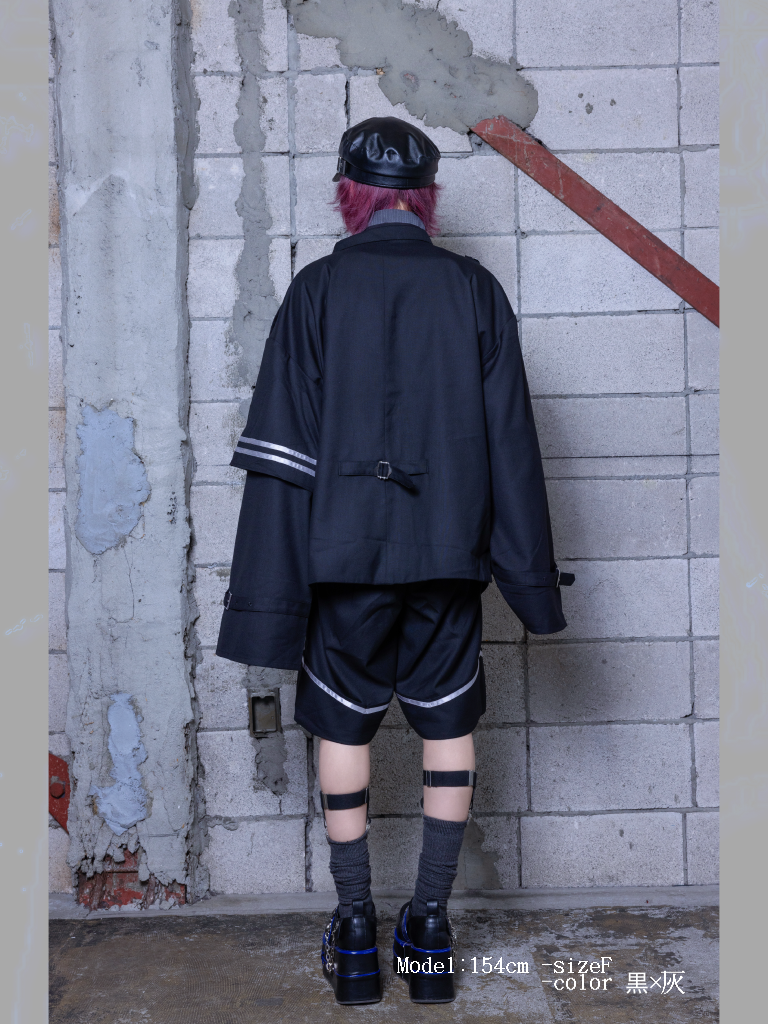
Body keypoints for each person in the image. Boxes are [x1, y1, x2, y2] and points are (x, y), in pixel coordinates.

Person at [216, 116, 574, 1005]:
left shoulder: (315, 291)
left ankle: (353, 934)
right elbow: (512, 446)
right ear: (425, 197)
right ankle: (429, 932)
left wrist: (272, 594)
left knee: (343, 731)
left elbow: (282, 454)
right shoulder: (475, 290)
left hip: (341, 563)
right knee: (448, 727)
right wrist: (528, 579)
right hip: (448, 559)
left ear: (350, 194)